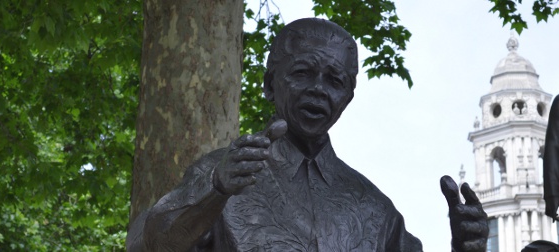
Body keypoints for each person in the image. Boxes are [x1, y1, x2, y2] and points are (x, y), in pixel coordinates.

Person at [127, 18, 487, 252]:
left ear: (347, 97)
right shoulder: (221, 173)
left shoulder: (374, 208)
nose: (318, 90)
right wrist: (216, 193)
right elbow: (147, 245)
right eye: (302, 73)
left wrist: (462, 248)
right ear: (269, 84)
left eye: (334, 81)